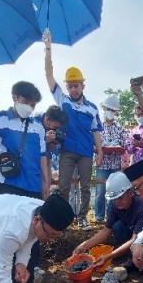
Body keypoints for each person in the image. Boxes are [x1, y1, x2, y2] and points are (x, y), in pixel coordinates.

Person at [43, 29, 103, 231]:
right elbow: (49, 76)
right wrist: (48, 49)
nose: (73, 89)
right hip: (67, 150)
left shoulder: (92, 108)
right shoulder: (63, 100)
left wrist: (100, 151)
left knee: (86, 187)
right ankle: (64, 218)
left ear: (83, 85)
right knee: (64, 186)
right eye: (70, 86)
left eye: (76, 85)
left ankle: (83, 217)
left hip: (86, 151)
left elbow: (96, 132)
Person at [0, 81, 49, 199]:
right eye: (26, 102)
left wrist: (46, 182)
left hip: (33, 184)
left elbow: (42, 156)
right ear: (15, 97)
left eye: (32, 105)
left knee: (32, 217)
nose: (29, 107)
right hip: (8, 180)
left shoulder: (38, 127)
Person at [73, 172, 143, 269]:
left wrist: (109, 256)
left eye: (120, 197)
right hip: (132, 231)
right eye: (114, 199)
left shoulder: (141, 207)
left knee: (142, 246)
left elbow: (136, 239)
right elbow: (106, 231)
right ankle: (129, 254)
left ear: (130, 192)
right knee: (117, 227)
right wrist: (84, 246)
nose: (117, 202)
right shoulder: (116, 205)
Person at [94, 95, 128, 224]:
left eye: (113, 110)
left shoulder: (120, 128)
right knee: (100, 191)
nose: (110, 112)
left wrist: (118, 148)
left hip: (115, 164)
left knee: (113, 192)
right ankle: (98, 217)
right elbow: (93, 144)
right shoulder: (97, 127)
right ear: (104, 108)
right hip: (102, 164)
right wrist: (99, 149)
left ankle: (111, 217)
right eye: (108, 109)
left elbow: (124, 144)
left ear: (116, 112)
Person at [35, 105, 70, 195]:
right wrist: (45, 139)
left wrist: (54, 141)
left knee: (46, 189)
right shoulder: (33, 121)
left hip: (46, 159)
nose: (55, 130)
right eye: (54, 127)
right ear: (46, 119)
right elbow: (29, 145)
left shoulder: (58, 128)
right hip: (33, 160)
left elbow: (50, 150)